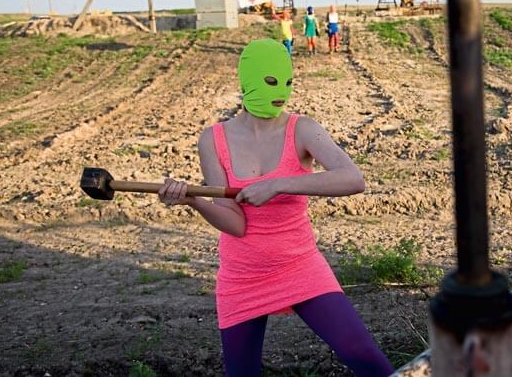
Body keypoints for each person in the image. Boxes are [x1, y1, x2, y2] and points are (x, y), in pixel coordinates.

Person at [158, 39, 393, 377]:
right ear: (248, 80)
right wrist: (193, 201)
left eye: (288, 82)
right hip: (242, 276)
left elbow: (353, 179)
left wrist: (279, 184)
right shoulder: (213, 139)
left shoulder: (303, 129)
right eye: (271, 81)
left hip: (300, 265)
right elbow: (235, 224)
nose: (281, 91)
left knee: (361, 352)